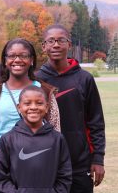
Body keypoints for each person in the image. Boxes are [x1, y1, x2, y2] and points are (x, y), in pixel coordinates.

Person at [0, 38, 61, 192]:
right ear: (4, 60)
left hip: (38, 171)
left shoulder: (45, 92)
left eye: (23, 56)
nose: (17, 60)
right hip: (2, 174)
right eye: (11, 56)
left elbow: (55, 133)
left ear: (31, 60)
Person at [36, 24, 105, 193]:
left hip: (79, 164)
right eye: (51, 41)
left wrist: (98, 159)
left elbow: (96, 122)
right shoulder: (36, 80)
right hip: (45, 163)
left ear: (69, 45)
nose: (56, 44)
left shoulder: (85, 79)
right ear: (44, 47)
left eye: (61, 40)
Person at [0, 85, 72, 192]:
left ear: (47, 107)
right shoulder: (8, 139)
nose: (33, 107)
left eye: (39, 103)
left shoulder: (57, 139)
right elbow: (0, 178)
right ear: (19, 107)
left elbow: (65, 176)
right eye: (27, 103)